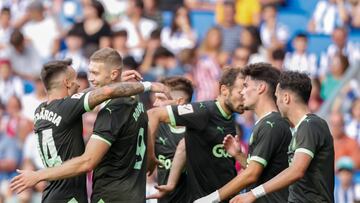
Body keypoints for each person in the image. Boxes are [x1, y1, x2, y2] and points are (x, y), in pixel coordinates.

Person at [9, 49, 168, 202]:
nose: (80, 84)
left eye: (95, 73)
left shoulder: (41, 109)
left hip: (55, 193)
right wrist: (148, 86)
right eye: (75, 80)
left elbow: (89, 94)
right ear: (67, 83)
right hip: (73, 197)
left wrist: (117, 83)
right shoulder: (127, 103)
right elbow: (103, 93)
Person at [231, 71, 334, 203]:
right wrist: (239, 155)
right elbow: (276, 173)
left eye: (277, 97)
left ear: (286, 98)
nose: (276, 102)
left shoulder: (310, 125)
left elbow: (296, 171)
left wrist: (253, 194)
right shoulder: (298, 129)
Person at [195, 63, 292, 203]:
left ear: (261, 88)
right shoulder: (266, 123)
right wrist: (239, 155)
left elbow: (252, 175)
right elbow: (263, 174)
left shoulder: (271, 124)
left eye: (246, 86)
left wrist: (211, 198)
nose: (242, 92)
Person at [147, 67, 245, 202]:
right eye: (241, 92)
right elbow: (153, 114)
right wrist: (150, 156)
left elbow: (183, 146)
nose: (244, 97)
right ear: (224, 90)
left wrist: (171, 183)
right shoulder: (203, 111)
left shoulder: (228, 117)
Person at [152, 76, 193, 203]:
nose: (155, 103)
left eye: (161, 99)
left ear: (179, 102)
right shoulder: (156, 127)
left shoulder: (198, 130)